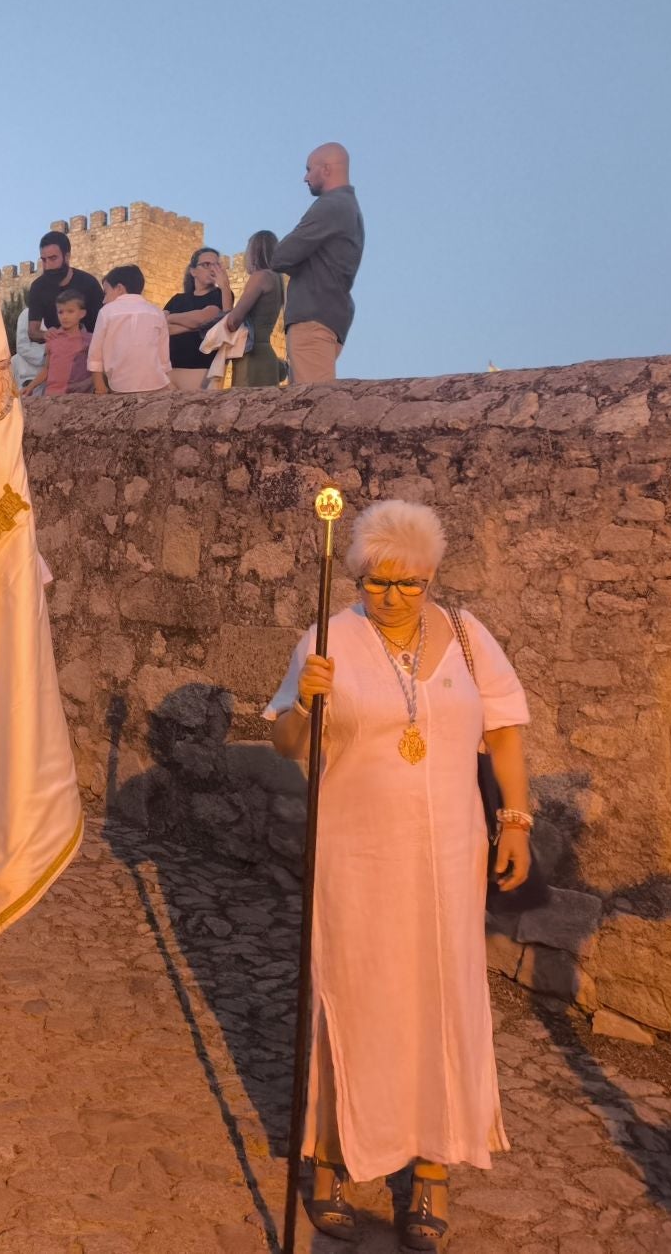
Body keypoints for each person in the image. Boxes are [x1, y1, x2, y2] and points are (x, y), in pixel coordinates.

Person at [266, 500, 533, 1250]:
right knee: (354, 996)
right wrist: (305, 702)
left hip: (448, 858)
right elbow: (288, 742)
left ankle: (433, 1162)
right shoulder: (327, 639)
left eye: (409, 582)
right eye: (378, 581)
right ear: (357, 577)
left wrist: (516, 821)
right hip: (357, 855)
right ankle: (329, 1157)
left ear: (431, 576)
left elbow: (504, 733)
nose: (393, 595)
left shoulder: (469, 638)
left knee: (440, 999)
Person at [272, 143, 364, 384]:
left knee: (311, 399)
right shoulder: (348, 207)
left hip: (313, 318)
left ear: (326, 169)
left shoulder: (331, 205)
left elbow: (280, 256)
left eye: (308, 169)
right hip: (329, 315)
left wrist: (294, 260)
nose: (305, 177)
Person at [86, 265, 171, 395]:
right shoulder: (157, 312)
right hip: (157, 384)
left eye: (106, 292)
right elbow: (163, 357)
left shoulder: (106, 311)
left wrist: (100, 388)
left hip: (120, 387)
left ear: (119, 288)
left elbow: (95, 355)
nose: (103, 300)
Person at [220, 231, 287, 388]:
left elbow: (233, 321)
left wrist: (224, 288)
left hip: (252, 358)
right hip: (266, 356)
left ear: (255, 253)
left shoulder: (260, 277)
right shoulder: (277, 279)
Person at [163, 248, 228, 391]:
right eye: (206, 264)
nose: (212, 269)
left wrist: (171, 317)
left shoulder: (221, 294)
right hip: (168, 369)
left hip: (199, 368)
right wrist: (197, 326)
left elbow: (205, 318)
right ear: (193, 271)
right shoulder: (177, 299)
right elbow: (161, 328)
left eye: (216, 265)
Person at [25, 229, 105, 346]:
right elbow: (33, 332)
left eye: (53, 258)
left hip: (90, 348)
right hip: (57, 348)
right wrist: (45, 334)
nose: (47, 266)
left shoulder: (89, 283)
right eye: (44, 260)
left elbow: (103, 325)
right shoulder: (38, 287)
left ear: (67, 256)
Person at [21, 286, 94, 396]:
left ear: (82, 313)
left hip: (80, 396)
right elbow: (47, 369)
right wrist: (30, 387)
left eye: (70, 311)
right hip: (53, 395)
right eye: (61, 312)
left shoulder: (90, 340)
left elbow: (97, 369)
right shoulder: (53, 338)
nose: (65, 316)